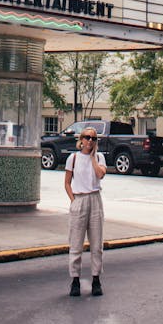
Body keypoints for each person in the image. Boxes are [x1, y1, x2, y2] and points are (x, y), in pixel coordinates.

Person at [65, 125, 107, 297]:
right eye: (87, 137)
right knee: (76, 243)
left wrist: (92, 158)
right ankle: (75, 280)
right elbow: (67, 182)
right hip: (79, 199)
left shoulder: (99, 157)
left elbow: (100, 174)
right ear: (81, 139)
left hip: (95, 199)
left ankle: (96, 279)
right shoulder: (73, 158)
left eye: (94, 138)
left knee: (97, 244)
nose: (90, 141)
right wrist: (74, 201)